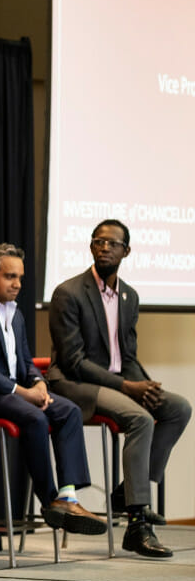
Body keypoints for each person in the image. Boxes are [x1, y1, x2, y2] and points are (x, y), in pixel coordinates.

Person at [0, 243, 106, 536]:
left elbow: (24, 361)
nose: (17, 285)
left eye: (20, 278)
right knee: (34, 417)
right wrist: (22, 392)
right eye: (9, 277)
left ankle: (67, 495)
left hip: (7, 393)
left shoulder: (14, 312)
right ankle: (49, 499)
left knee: (68, 411)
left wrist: (38, 383)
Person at [47, 219, 191, 558]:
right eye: (98, 241)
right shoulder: (68, 293)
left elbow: (127, 355)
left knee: (178, 407)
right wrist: (129, 387)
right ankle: (137, 521)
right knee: (140, 418)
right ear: (91, 246)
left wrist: (147, 384)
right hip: (75, 384)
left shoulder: (129, 295)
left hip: (115, 380)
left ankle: (126, 492)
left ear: (126, 251)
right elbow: (73, 361)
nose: (104, 247)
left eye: (112, 243)